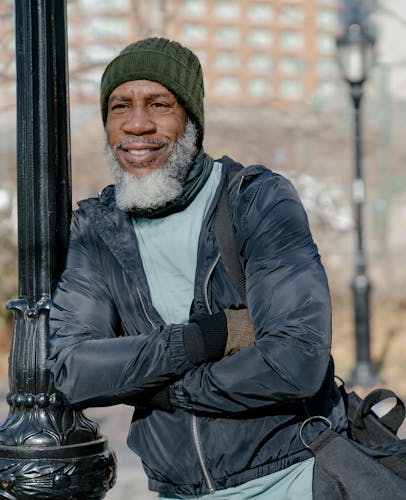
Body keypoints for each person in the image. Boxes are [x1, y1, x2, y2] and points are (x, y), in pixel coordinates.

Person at [47, 37, 347, 499]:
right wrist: (202, 339)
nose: (137, 124)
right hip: (176, 491)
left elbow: (296, 359)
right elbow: (73, 371)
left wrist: (163, 391)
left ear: (191, 120)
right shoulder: (97, 228)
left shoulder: (255, 200)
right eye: (120, 106)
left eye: (159, 104)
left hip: (292, 479)